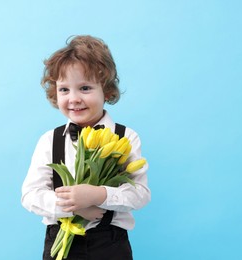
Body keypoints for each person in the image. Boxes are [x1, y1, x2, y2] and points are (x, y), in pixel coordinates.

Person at [21, 35, 151, 260]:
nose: (74, 98)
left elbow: (139, 194)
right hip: (60, 241)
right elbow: (31, 195)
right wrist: (73, 207)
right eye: (64, 90)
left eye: (85, 88)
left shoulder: (126, 137)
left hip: (110, 244)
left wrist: (98, 195)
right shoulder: (49, 140)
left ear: (107, 91)